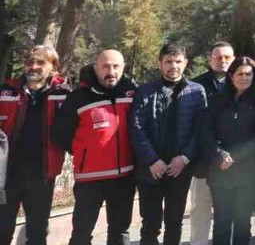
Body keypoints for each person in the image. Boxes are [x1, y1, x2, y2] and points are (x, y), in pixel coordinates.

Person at [52, 49, 138, 245]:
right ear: (96, 67)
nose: (111, 71)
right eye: (105, 66)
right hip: (89, 179)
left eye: (116, 66)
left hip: (124, 177)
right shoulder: (78, 97)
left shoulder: (132, 93)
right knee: (82, 233)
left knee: (120, 232)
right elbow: (60, 132)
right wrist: (83, 152)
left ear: (123, 68)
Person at [129, 42, 208, 245]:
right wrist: (152, 160)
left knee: (174, 222)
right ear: (160, 64)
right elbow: (136, 128)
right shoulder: (144, 91)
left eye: (178, 61)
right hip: (151, 170)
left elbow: (200, 129)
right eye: (168, 62)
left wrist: (184, 157)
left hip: (179, 169)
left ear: (186, 63)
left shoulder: (197, 92)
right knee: (150, 224)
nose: (174, 66)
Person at [0, 45, 71, 245]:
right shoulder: (6, 90)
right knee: (1, 230)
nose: (33, 67)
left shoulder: (64, 94)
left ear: (53, 67)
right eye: (29, 62)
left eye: (41, 62)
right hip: (6, 177)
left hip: (42, 176)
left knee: (37, 233)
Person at [204, 56, 255, 245]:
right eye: (240, 73)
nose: (244, 77)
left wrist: (235, 157)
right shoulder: (217, 101)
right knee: (222, 222)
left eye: (249, 74)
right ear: (231, 76)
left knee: (242, 223)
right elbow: (205, 131)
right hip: (219, 170)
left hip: (247, 171)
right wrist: (220, 154)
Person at [190, 41, 236, 245]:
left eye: (227, 57)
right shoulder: (195, 85)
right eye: (218, 57)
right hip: (203, 161)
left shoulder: (241, 83)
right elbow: (194, 124)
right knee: (200, 209)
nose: (223, 61)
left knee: (228, 213)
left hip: (231, 160)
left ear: (233, 59)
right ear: (210, 60)